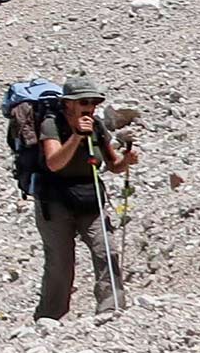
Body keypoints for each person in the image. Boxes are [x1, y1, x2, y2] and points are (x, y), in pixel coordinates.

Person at [32, 74, 137, 320]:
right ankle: (49, 318)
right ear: (68, 103)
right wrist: (77, 136)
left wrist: (126, 161)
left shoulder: (97, 127)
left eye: (93, 102)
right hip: (55, 202)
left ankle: (111, 309)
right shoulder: (52, 124)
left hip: (90, 199)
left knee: (106, 251)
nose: (90, 107)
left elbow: (112, 165)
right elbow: (54, 162)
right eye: (84, 102)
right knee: (61, 264)